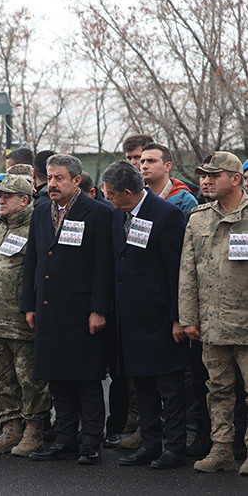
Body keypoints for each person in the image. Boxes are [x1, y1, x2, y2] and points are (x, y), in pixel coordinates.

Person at [22, 154, 114, 465]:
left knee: (85, 379)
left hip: (81, 309)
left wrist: (99, 308)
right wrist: (29, 305)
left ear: (76, 181)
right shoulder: (39, 213)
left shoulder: (98, 213)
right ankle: (64, 439)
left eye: (59, 178)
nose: (52, 184)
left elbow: (104, 265)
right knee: (57, 378)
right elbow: (32, 260)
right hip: (49, 307)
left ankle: (90, 440)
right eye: (49, 178)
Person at [100, 160, 189, 469]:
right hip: (129, 320)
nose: (108, 199)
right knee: (144, 387)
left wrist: (179, 317)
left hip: (161, 319)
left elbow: (177, 270)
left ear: (128, 191)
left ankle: (175, 447)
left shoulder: (167, 215)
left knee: (170, 388)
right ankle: (149, 444)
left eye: (111, 194)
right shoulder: (117, 216)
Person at [179, 152, 248, 475]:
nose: (206, 180)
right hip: (212, 323)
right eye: (203, 175)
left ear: (236, 179)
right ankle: (221, 449)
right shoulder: (198, 218)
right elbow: (187, 273)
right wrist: (188, 317)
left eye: (214, 175)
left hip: (245, 322)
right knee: (217, 390)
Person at [0, 175, 51, 456]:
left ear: (24, 200)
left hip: (22, 321)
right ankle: (10, 429)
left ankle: (35, 430)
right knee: (0, 381)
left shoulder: (37, 227)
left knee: (30, 381)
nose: (1, 200)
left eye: (7, 196)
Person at [140, 142, 198, 213]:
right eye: (142, 162)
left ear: (167, 166)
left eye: (151, 161)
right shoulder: (135, 198)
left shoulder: (185, 201)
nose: (144, 166)